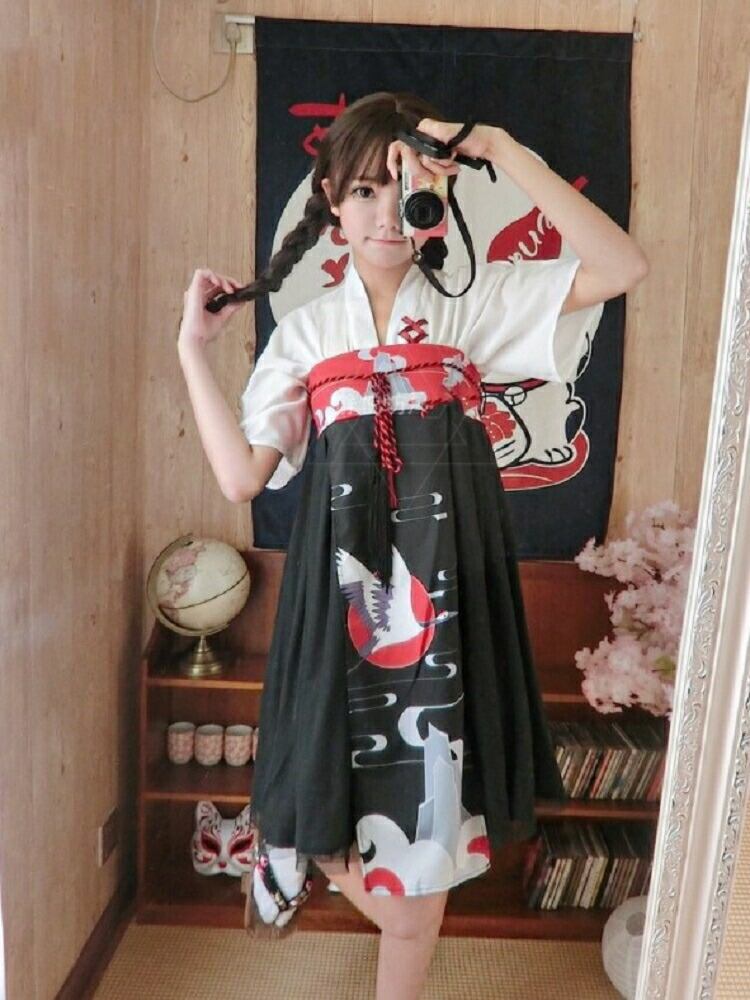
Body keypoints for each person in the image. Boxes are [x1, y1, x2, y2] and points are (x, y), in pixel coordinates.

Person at [177, 91, 649, 1000]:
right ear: (331, 201)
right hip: (340, 617)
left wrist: (498, 145)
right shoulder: (307, 331)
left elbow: (623, 265)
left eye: (404, 189)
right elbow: (241, 478)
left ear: (438, 196)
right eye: (364, 191)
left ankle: (303, 862)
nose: (386, 213)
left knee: (422, 883)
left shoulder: (474, 308)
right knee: (352, 836)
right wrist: (195, 350)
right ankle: (299, 849)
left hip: (448, 618)